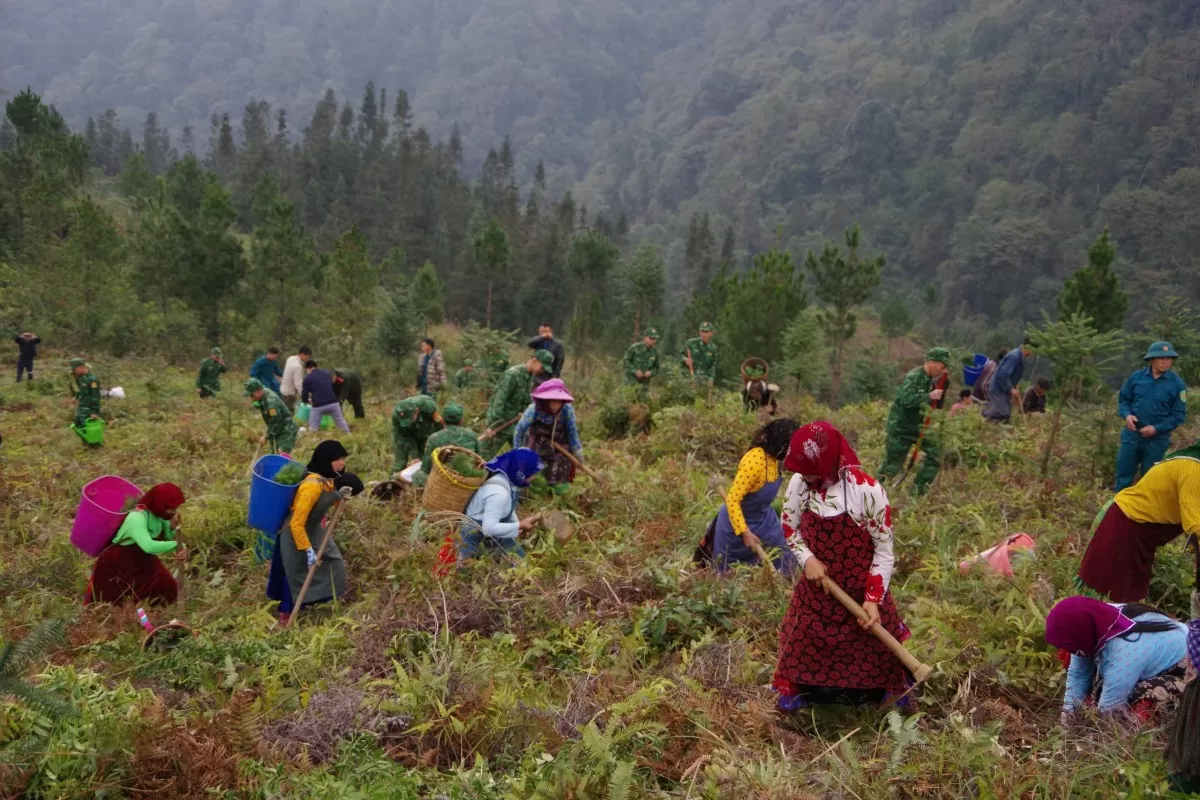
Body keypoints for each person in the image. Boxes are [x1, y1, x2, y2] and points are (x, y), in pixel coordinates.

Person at [773, 421, 910, 710]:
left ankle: (879, 703)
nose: (804, 476)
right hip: (817, 592)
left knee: (877, 654)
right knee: (801, 647)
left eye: (810, 470)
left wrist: (873, 600)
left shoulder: (867, 491)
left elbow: (884, 551)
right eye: (800, 470)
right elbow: (789, 528)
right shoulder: (799, 485)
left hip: (861, 591)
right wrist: (807, 559)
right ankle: (806, 701)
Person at [1077, 443, 1200, 601]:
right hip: (1127, 524)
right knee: (1108, 596)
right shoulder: (1193, 469)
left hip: (1143, 533)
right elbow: (1195, 525)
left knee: (1130, 595)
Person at [1046, 596, 1186, 721]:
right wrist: (1067, 719)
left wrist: (1089, 734)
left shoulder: (1126, 649)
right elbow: (1078, 674)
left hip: (1187, 667)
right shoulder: (1094, 619)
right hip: (1137, 662)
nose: (1072, 651)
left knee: (1142, 700)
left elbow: (1108, 713)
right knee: (1093, 695)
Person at [267, 441, 356, 624]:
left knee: (334, 562)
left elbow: (328, 504)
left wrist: (340, 498)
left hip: (314, 528)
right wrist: (307, 550)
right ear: (326, 460)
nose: (341, 463)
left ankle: (320, 600)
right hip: (294, 533)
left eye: (343, 459)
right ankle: (287, 615)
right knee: (295, 571)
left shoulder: (328, 481)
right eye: (338, 459)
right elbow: (296, 523)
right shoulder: (311, 486)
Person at [708, 419, 800, 575]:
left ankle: (785, 588)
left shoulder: (775, 459)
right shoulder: (755, 460)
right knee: (730, 574)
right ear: (782, 443)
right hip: (736, 523)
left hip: (764, 519)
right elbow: (732, 499)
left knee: (786, 554)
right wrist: (745, 533)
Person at [84, 483, 186, 606]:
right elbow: (149, 546)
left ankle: (154, 618)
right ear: (160, 504)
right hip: (117, 564)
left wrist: (176, 535)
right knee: (111, 604)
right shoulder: (136, 518)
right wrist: (176, 544)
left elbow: (166, 536)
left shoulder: (159, 516)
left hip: (142, 560)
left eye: (175, 508)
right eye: (171, 508)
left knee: (166, 586)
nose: (174, 512)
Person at [1114, 341, 1188, 491]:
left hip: (1157, 441)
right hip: (1132, 436)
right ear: (1151, 359)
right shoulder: (1137, 378)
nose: (1165, 362)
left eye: (1169, 358)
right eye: (1161, 358)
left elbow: (1178, 415)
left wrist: (1156, 428)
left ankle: (1145, 514)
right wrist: (1127, 415)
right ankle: (1119, 511)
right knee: (1123, 477)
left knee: (1150, 481)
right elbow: (1124, 400)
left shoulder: (1177, 385)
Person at [877, 348, 950, 495]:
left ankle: (917, 492)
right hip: (900, 429)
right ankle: (872, 495)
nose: (944, 370)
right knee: (892, 467)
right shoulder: (914, 377)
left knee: (936, 454)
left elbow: (931, 406)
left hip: (917, 428)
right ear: (931, 362)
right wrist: (929, 396)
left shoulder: (930, 380)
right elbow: (906, 400)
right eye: (942, 366)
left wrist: (940, 393)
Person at [458, 448, 545, 562]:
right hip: (472, 535)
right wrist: (519, 526)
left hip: (489, 531)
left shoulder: (507, 481)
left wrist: (515, 526)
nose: (534, 478)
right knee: (466, 571)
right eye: (532, 473)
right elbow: (488, 529)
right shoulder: (499, 493)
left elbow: (507, 510)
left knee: (520, 561)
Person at [513, 378, 583, 495]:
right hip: (537, 441)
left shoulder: (567, 410)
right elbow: (519, 430)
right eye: (553, 401)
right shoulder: (534, 409)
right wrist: (518, 451)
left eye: (559, 402)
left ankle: (558, 496)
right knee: (528, 470)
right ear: (546, 400)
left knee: (560, 472)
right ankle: (525, 493)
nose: (556, 405)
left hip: (559, 443)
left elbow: (572, 432)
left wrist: (578, 452)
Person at [479, 350, 552, 460]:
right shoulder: (512, 374)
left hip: (515, 425)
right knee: (482, 457)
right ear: (535, 361)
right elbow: (499, 400)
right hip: (501, 424)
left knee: (522, 456)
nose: (542, 371)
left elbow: (525, 399)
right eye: (541, 368)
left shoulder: (528, 376)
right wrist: (492, 425)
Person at [413, 403, 480, 488]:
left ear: (443, 420)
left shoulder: (434, 438)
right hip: (466, 478)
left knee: (418, 475)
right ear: (461, 420)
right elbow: (478, 458)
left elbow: (427, 467)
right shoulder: (472, 435)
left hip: (442, 479)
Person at [245, 378, 298, 456]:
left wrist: (266, 437)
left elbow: (276, 422)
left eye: (252, 395)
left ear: (259, 390)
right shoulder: (263, 393)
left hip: (286, 429)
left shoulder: (271, 403)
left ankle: (290, 468)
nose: (251, 398)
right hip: (276, 429)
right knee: (274, 454)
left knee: (281, 454)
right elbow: (260, 406)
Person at [391, 394, 442, 473]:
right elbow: (406, 437)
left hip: (425, 428)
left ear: (417, 411)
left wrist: (438, 443)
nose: (408, 423)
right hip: (405, 434)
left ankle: (424, 478)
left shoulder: (428, 406)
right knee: (400, 460)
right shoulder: (397, 416)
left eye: (409, 419)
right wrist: (414, 457)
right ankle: (394, 480)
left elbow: (439, 424)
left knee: (426, 457)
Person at [983, 341, 1031, 423]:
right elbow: (1003, 375)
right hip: (998, 389)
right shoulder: (1014, 357)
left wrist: (1014, 387)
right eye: (1032, 351)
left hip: (1004, 390)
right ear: (1028, 348)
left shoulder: (1018, 356)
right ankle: (984, 414)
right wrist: (1011, 389)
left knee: (1006, 416)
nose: (1031, 354)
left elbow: (1012, 375)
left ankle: (992, 422)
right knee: (1003, 413)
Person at [302, 360, 351, 433]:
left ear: (307, 369)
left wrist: (307, 401)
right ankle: (349, 435)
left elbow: (304, 395)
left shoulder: (307, 379)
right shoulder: (327, 373)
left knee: (313, 428)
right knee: (341, 422)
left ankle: (312, 439)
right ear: (315, 367)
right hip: (333, 403)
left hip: (318, 406)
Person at [70, 357, 101, 431]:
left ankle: (93, 442)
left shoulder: (92, 379)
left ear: (80, 368)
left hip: (89, 409)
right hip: (81, 407)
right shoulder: (80, 377)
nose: (74, 371)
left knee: (90, 430)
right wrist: (76, 397)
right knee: (78, 426)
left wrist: (95, 412)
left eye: (74, 369)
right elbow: (81, 391)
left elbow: (95, 396)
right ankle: (85, 442)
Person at [280, 345, 312, 412]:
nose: (307, 359)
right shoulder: (298, 367)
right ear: (303, 354)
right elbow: (298, 384)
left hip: (283, 390)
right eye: (307, 357)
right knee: (288, 414)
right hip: (289, 395)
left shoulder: (290, 358)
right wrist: (305, 397)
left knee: (283, 412)